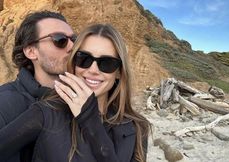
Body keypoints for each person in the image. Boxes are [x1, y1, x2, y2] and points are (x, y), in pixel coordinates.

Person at [0, 24, 151, 162]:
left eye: (107, 63)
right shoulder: (46, 112)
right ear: (73, 62)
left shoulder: (137, 127)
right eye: (84, 58)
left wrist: (90, 121)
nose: (93, 70)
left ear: (119, 72)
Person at [0, 10, 76, 162]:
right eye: (60, 40)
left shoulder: (81, 100)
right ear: (31, 51)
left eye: (74, 39)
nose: (72, 46)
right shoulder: (4, 104)